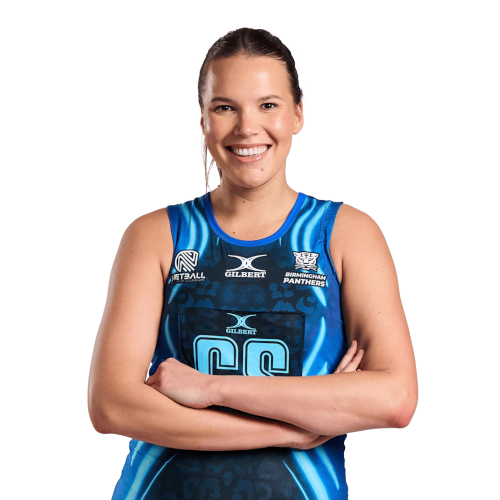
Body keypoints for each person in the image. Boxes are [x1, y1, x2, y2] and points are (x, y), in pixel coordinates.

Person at [88, 27, 418, 500]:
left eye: (268, 105)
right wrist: (290, 430)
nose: (247, 128)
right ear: (203, 119)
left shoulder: (346, 233)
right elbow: (111, 406)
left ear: (298, 114)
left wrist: (211, 389)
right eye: (225, 107)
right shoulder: (156, 235)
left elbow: (395, 400)